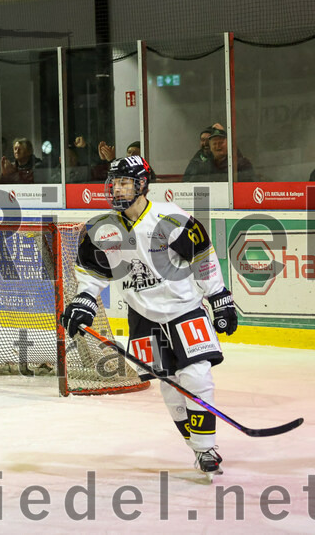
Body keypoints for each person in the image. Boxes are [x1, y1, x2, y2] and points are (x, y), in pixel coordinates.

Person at [62, 156, 238, 478]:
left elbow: (203, 256)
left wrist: (219, 297)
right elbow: (91, 273)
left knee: (197, 375)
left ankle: (206, 447)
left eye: (125, 182)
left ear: (142, 185)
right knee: (170, 386)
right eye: (113, 182)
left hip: (184, 309)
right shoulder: (102, 229)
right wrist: (84, 300)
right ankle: (198, 449)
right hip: (142, 318)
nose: (116, 189)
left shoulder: (171, 218)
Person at [183, 127, 255, 182]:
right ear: (210, 147)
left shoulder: (241, 164)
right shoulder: (202, 167)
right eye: (214, 143)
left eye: (221, 143)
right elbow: (195, 191)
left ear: (228, 144)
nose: (217, 146)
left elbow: (250, 187)